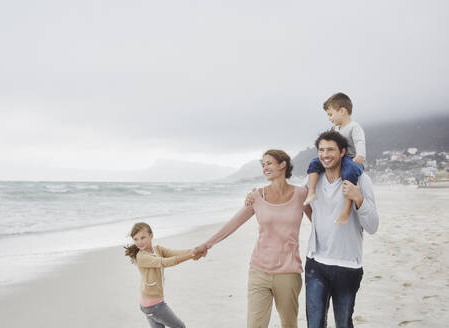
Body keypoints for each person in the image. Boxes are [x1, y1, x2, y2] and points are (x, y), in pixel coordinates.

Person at [194, 149, 308, 328]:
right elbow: (233, 223)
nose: (265, 167)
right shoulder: (256, 196)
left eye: (269, 163)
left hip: (288, 272)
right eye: (263, 165)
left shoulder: (301, 194)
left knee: (289, 324)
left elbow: (319, 222)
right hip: (259, 271)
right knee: (255, 325)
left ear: (283, 164)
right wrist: (207, 244)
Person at [304, 130, 379, 328]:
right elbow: (299, 201)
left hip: (348, 265)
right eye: (321, 150)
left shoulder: (361, 180)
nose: (325, 154)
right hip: (316, 263)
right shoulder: (313, 179)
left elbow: (372, 226)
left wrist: (359, 199)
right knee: (314, 324)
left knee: (343, 324)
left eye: (330, 149)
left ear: (343, 151)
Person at [304, 92, 366, 225]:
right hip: (337, 159)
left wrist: (360, 155)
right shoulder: (336, 129)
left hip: (351, 159)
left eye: (330, 114)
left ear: (342, 111)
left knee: (349, 173)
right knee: (314, 162)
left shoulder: (354, 127)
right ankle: (312, 192)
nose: (329, 118)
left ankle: (347, 208)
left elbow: (360, 141)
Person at [125, 222, 195, 328]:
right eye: (136, 239)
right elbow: (165, 262)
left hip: (149, 304)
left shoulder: (158, 249)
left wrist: (193, 251)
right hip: (154, 305)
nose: (139, 242)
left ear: (151, 235)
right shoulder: (142, 257)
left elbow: (174, 253)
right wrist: (191, 255)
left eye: (143, 237)